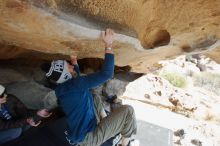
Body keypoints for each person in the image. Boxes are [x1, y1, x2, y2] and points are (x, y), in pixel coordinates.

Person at [41, 28, 137, 146]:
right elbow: (107, 74)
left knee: (94, 97)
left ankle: (104, 122)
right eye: (69, 66)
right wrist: (108, 44)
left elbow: (74, 79)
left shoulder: (61, 89)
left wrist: (74, 61)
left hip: (78, 136)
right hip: (90, 139)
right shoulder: (77, 84)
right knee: (128, 111)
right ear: (66, 74)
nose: (71, 66)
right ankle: (125, 143)